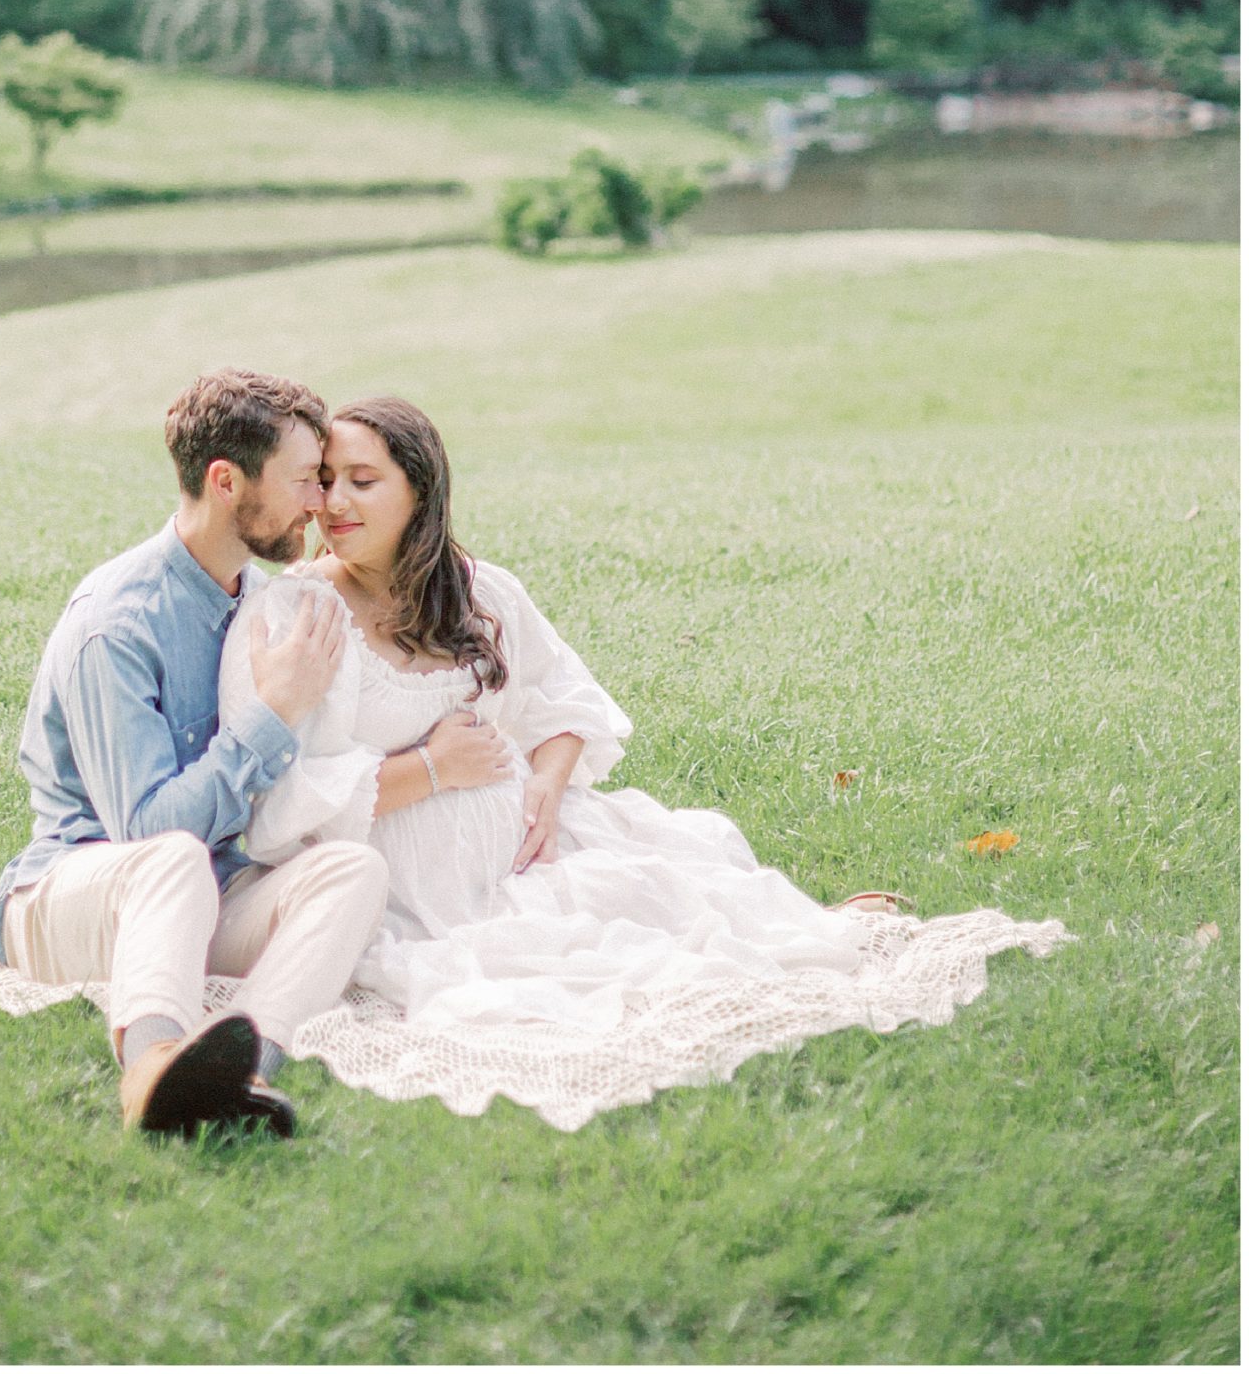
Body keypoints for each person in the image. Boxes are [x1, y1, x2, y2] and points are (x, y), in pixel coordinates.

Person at [218, 396, 1068, 1131]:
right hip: (412, 890)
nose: (333, 503)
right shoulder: (301, 611)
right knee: (562, 972)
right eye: (325, 481)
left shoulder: (479, 591)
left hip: (527, 849)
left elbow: (565, 705)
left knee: (676, 900)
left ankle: (820, 931)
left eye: (362, 481)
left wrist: (545, 787)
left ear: (421, 492)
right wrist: (435, 769)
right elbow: (290, 800)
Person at [0, 368, 385, 1138]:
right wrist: (275, 712)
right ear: (227, 481)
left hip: (205, 888)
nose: (319, 502)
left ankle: (241, 1069)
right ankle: (150, 1070)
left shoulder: (258, 600)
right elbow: (144, 831)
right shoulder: (118, 623)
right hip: (73, 894)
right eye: (305, 480)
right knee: (170, 856)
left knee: (354, 870)